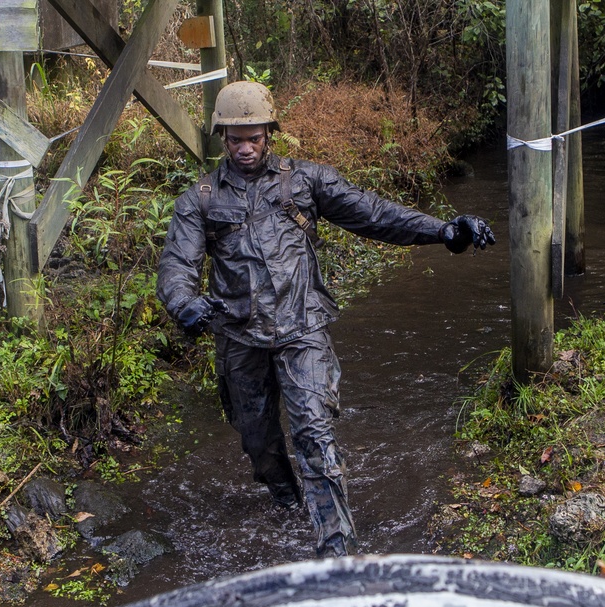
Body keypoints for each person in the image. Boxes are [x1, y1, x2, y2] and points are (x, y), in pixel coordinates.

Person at [156, 81, 495, 558]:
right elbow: (176, 265)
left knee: (313, 433)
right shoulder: (201, 201)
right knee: (259, 444)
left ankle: (338, 553)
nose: (246, 148)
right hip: (238, 339)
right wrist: (184, 302)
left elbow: (373, 213)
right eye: (236, 139)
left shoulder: (305, 182)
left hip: (303, 330)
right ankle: (287, 501)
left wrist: (442, 230)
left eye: (254, 137)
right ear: (222, 138)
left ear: (269, 133)